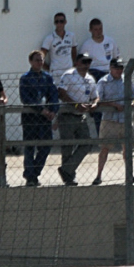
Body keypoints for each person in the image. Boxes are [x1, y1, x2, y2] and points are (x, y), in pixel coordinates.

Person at [56, 52, 99, 186]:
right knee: (68, 146)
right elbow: (61, 93)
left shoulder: (90, 79)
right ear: (77, 63)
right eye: (84, 61)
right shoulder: (68, 75)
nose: (86, 65)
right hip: (67, 115)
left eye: (88, 62)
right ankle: (69, 177)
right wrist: (75, 104)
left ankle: (66, 169)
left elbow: (95, 96)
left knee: (87, 143)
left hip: (81, 116)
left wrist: (94, 104)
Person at [19, 50, 60, 187]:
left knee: (45, 146)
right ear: (30, 61)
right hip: (31, 117)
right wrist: (40, 109)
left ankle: (33, 172)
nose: (39, 62)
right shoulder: (25, 78)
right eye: (37, 60)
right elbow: (26, 98)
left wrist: (53, 111)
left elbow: (53, 95)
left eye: (41, 60)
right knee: (30, 147)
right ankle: (31, 177)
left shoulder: (47, 78)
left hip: (45, 118)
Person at [93, 58, 134, 186]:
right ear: (111, 68)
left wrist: (132, 104)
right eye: (116, 68)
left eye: (121, 68)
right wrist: (113, 104)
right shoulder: (103, 82)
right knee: (105, 148)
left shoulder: (126, 81)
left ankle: (129, 175)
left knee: (127, 148)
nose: (119, 70)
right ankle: (98, 175)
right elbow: (98, 100)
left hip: (125, 120)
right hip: (109, 120)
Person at [78, 18, 118, 133]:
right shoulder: (87, 45)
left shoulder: (110, 41)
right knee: (98, 106)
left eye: (100, 29)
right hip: (95, 75)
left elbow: (116, 58)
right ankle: (101, 134)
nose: (98, 32)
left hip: (109, 74)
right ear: (90, 30)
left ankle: (115, 134)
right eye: (95, 29)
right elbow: (81, 64)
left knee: (114, 104)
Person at [40, 12, 76, 80]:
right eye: (57, 22)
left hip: (69, 71)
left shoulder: (71, 36)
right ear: (54, 23)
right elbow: (41, 55)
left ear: (65, 22)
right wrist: (48, 68)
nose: (59, 24)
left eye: (61, 21)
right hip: (56, 72)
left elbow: (74, 51)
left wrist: (72, 64)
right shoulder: (49, 38)